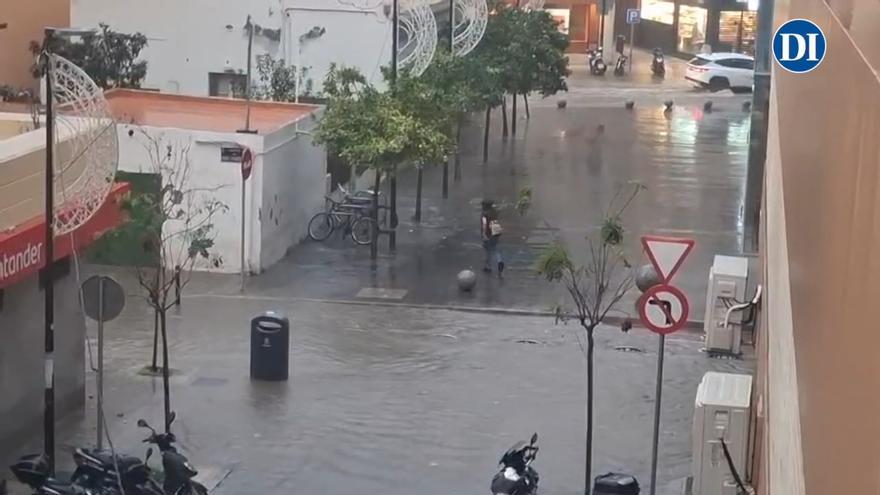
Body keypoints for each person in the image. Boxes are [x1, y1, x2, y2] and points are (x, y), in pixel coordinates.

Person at [481, 200, 504, 276]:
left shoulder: (484, 214)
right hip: (496, 231)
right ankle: (499, 260)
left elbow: (484, 224)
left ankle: (488, 266)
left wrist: (484, 234)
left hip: (489, 233)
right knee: (494, 248)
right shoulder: (494, 212)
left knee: (488, 250)